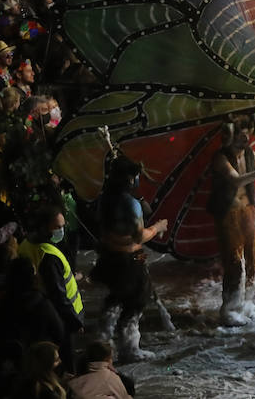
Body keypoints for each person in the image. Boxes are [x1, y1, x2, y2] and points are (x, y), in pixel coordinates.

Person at [91, 155, 169, 361]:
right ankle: (129, 349)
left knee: (115, 300)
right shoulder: (130, 203)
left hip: (109, 258)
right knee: (135, 302)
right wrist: (157, 227)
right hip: (128, 261)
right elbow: (138, 235)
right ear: (129, 179)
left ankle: (103, 343)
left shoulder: (104, 198)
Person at [208, 116, 255, 325]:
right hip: (229, 214)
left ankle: (247, 302)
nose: (245, 142)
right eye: (239, 139)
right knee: (234, 261)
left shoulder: (250, 154)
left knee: (252, 257)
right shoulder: (220, 158)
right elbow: (236, 180)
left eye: (246, 137)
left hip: (249, 211)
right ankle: (231, 309)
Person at [17, 204, 83, 360]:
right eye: (57, 227)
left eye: (62, 225)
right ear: (43, 228)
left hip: (40, 309)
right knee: (63, 358)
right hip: (59, 316)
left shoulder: (26, 244)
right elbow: (58, 294)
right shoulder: (49, 255)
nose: (61, 230)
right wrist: (74, 321)